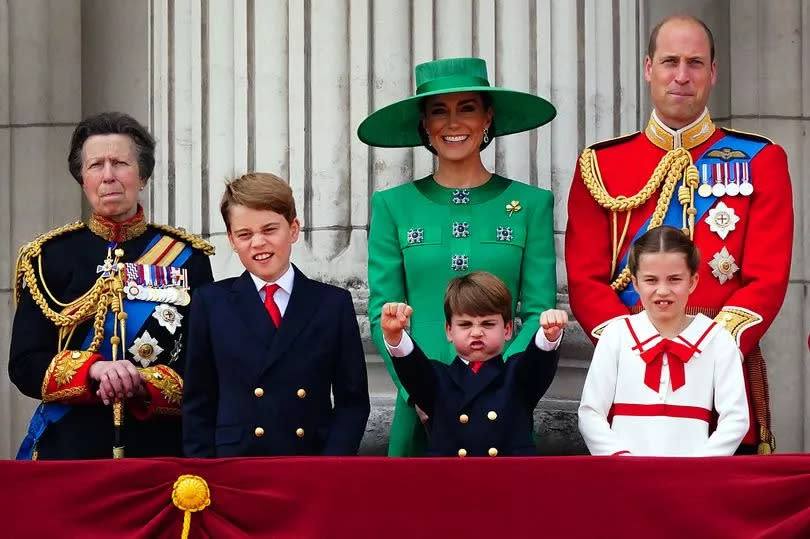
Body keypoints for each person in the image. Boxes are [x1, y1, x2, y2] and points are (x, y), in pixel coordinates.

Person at [565, 15, 793, 453]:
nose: (682, 76)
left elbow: (767, 280)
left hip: (721, 378)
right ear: (649, 68)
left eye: (695, 63)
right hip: (628, 381)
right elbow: (585, 279)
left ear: (713, 72)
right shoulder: (601, 165)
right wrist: (635, 349)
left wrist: (707, 350)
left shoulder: (761, 159)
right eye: (670, 62)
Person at [359, 56, 558, 456]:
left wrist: (506, 385)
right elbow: (384, 310)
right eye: (439, 112)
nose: (453, 123)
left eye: (467, 108)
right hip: (421, 407)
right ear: (424, 124)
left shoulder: (531, 204)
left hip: (503, 410)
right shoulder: (392, 205)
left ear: (488, 118)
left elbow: (539, 310)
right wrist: (417, 391)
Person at [9, 112, 215, 460]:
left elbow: (205, 364)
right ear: (82, 179)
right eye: (96, 166)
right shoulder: (47, 258)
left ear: (143, 176)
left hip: (160, 451)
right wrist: (93, 369)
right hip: (70, 450)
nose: (108, 176)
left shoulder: (187, 257)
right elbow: (25, 364)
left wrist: (143, 382)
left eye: (120, 163)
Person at [182, 172, 370, 457]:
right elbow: (199, 401)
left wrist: (332, 466)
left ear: (293, 229)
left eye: (269, 229)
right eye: (245, 234)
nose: (258, 242)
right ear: (232, 239)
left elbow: (352, 401)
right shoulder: (211, 302)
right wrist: (205, 471)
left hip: (309, 461)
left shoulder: (332, 303)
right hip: (235, 465)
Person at [578, 226, 748, 456]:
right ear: (636, 283)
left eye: (674, 279)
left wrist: (701, 466)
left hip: (692, 478)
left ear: (693, 281)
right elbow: (590, 412)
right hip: (625, 475)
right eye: (651, 280)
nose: (662, 290)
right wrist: (619, 458)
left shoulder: (718, 340)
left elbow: (736, 419)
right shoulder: (616, 335)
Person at [380, 271, 566, 457]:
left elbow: (538, 362)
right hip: (452, 481)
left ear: (507, 330)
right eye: (465, 325)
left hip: (509, 481)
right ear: (449, 331)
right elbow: (413, 368)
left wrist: (549, 335)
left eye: (488, 324)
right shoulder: (438, 379)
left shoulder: (516, 374)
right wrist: (395, 336)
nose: (476, 332)